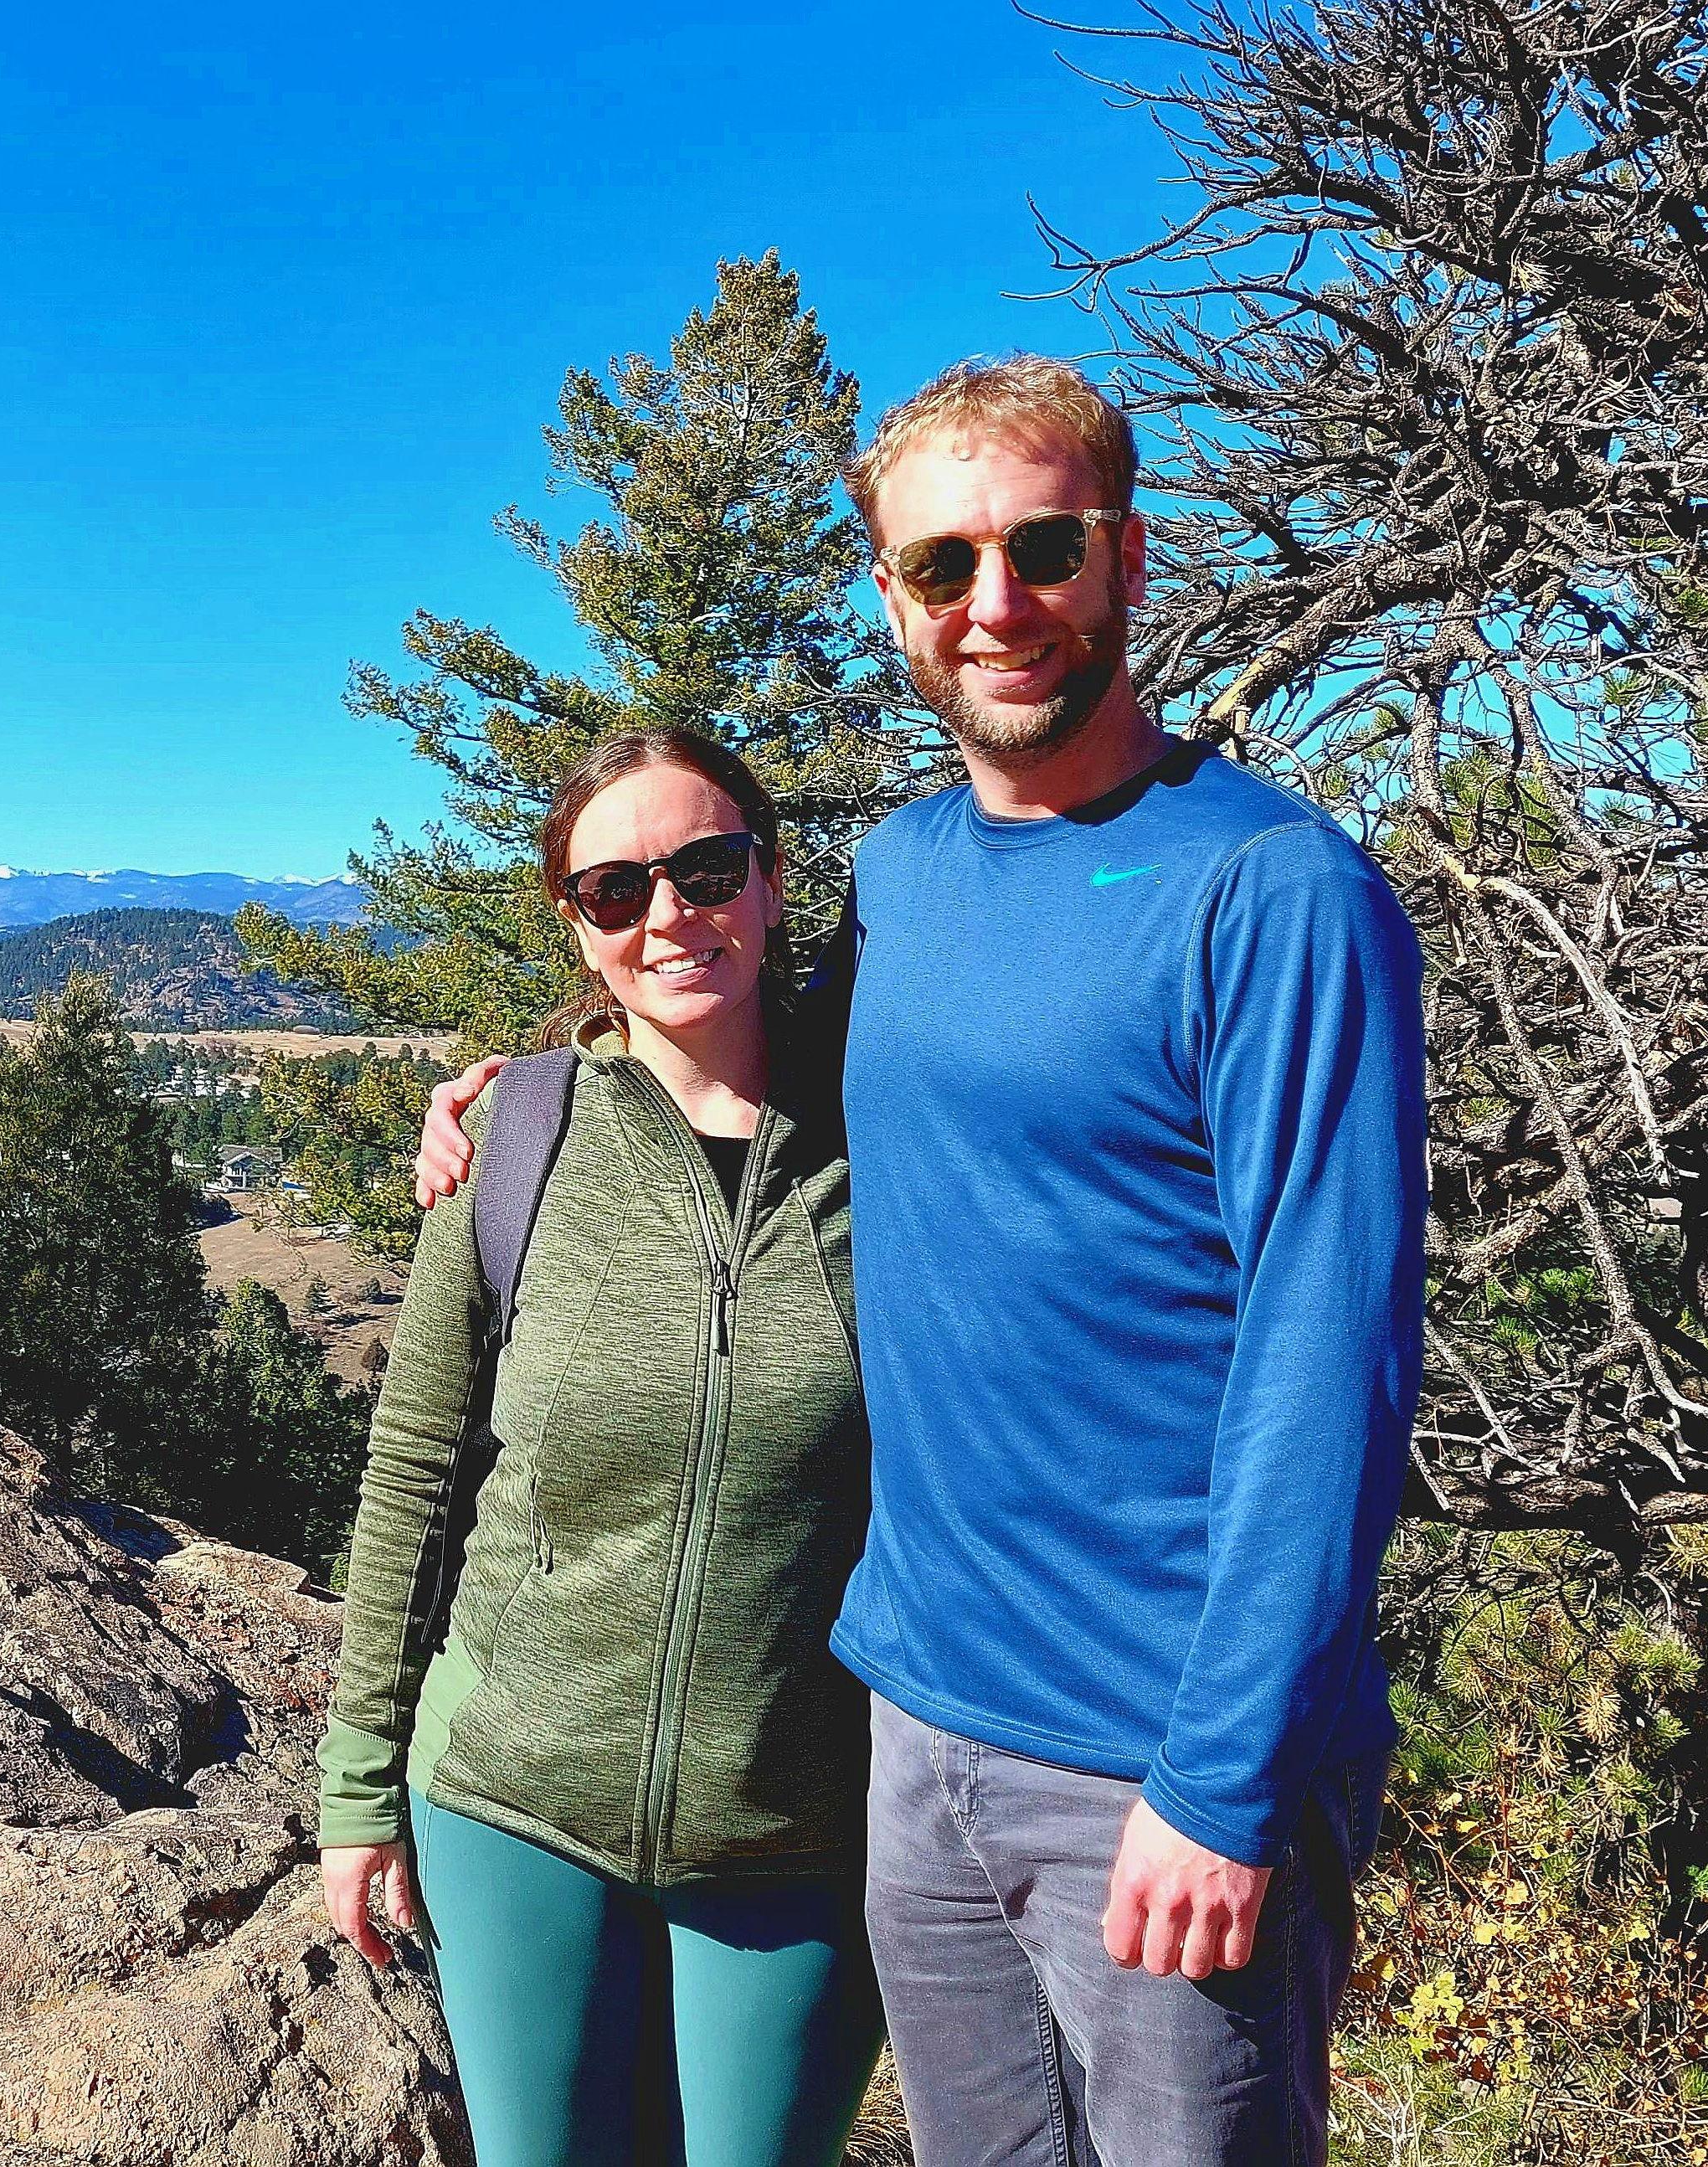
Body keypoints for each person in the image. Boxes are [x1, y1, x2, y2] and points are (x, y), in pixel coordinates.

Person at [418, 357, 1428, 2167]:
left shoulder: (1270, 892)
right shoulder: (902, 871)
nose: (996, 604)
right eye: (942, 565)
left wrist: (1223, 1773)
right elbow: (728, 1035)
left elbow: (1326, 1356)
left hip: (1153, 1752)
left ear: (1126, 555)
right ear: (888, 596)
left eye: (1042, 548)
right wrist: (522, 1087)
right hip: (914, 1724)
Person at [320, 727, 884, 2167]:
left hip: (800, 1826)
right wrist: (359, 1781)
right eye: (615, 891)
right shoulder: (517, 1142)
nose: (667, 918)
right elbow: (417, 1474)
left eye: (704, 871)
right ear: (576, 928)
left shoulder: (896, 1138)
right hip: (512, 1802)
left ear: (769, 882)